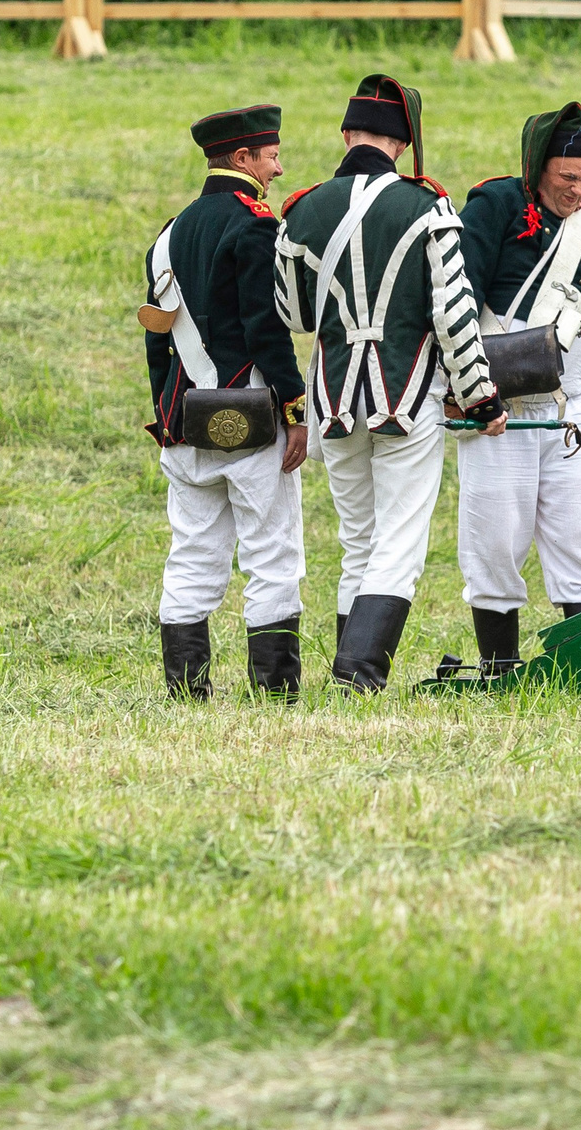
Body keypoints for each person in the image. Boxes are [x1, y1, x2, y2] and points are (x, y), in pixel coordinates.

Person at [275, 75, 504, 690]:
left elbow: (294, 313)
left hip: (332, 399)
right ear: (401, 145)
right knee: (399, 540)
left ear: (347, 134)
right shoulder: (427, 207)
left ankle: (352, 673)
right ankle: (360, 669)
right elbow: (455, 318)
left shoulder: (301, 209)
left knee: (359, 539)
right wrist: (481, 397)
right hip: (406, 397)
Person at [455, 101, 581, 676]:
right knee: (494, 540)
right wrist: (462, 387)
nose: (578, 192)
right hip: (495, 404)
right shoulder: (494, 205)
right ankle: (499, 667)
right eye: (567, 178)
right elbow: (457, 301)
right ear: (537, 166)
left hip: (568, 409)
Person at [143, 103, 309, 700]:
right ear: (242, 159)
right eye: (271, 157)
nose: (279, 169)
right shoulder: (254, 224)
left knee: (191, 555)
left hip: (186, 422)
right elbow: (267, 329)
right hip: (250, 418)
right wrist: (294, 411)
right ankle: (276, 693)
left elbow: (157, 339)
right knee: (272, 552)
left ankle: (188, 693)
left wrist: (170, 416)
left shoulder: (168, 235)